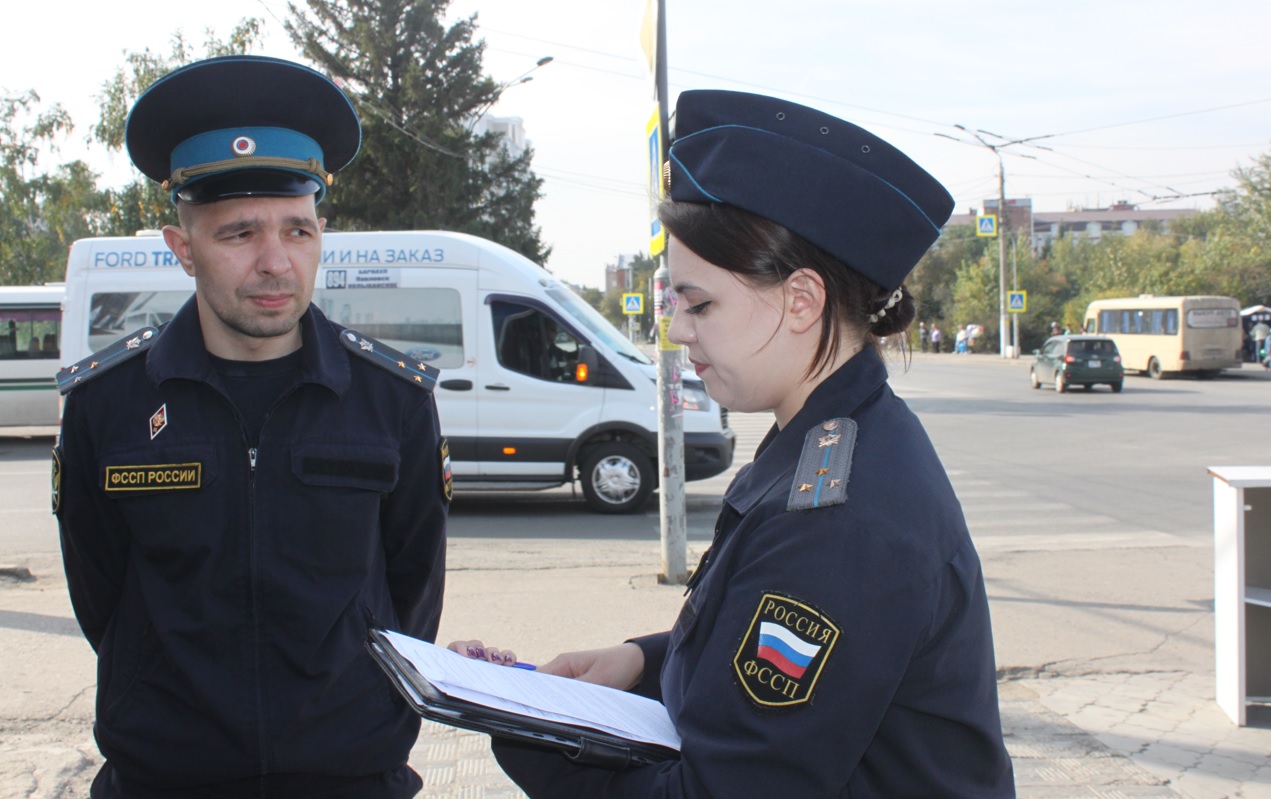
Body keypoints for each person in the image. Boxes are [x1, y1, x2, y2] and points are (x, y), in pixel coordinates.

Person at [462, 90, 1014, 797]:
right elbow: (763, 659)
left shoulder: (834, 519)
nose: (677, 330)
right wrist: (641, 661)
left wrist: (527, 729)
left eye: (699, 304)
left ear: (801, 300)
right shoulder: (826, 437)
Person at [53, 56, 450, 798]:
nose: (276, 262)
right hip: (164, 781)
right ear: (183, 249)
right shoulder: (108, 404)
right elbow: (102, 597)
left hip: (352, 778)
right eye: (238, 233)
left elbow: (412, 595)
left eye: (297, 230)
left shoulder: (391, 398)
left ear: (320, 233)